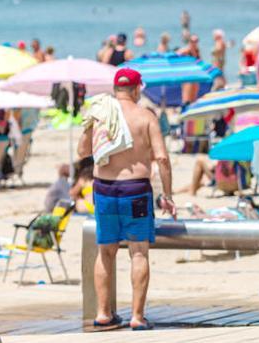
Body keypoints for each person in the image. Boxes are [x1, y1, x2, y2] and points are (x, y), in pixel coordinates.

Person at [77, 68, 176, 331]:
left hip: (104, 189)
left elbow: (82, 151)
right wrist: (167, 194)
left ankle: (103, 313)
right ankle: (136, 316)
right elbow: (163, 158)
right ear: (136, 89)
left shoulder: (101, 115)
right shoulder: (145, 116)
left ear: (115, 88)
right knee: (138, 252)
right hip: (135, 189)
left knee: (105, 251)